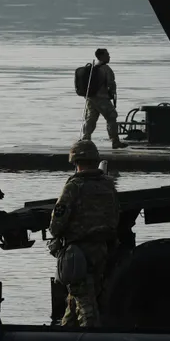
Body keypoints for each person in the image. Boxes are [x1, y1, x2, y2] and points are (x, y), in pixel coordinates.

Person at [48, 138, 120, 328]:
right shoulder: (108, 185)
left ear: (75, 162)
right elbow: (115, 218)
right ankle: (66, 334)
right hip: (101, 250)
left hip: (77, 253)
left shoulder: (74, 186)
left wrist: (56, 237)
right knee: (77, 299)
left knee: (86, 307)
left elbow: (57, 223)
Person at [79, 48, 125, 149]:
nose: (109, 57)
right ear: (102, 56)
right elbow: (111, 83)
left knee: (91, 118)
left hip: (90, 98)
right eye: (107, 55)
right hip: (102, 98)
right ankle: (115, 141)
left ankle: (85, 139)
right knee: (112, 116)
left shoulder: (92, 68)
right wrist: (112, 93)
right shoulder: (106, 69)